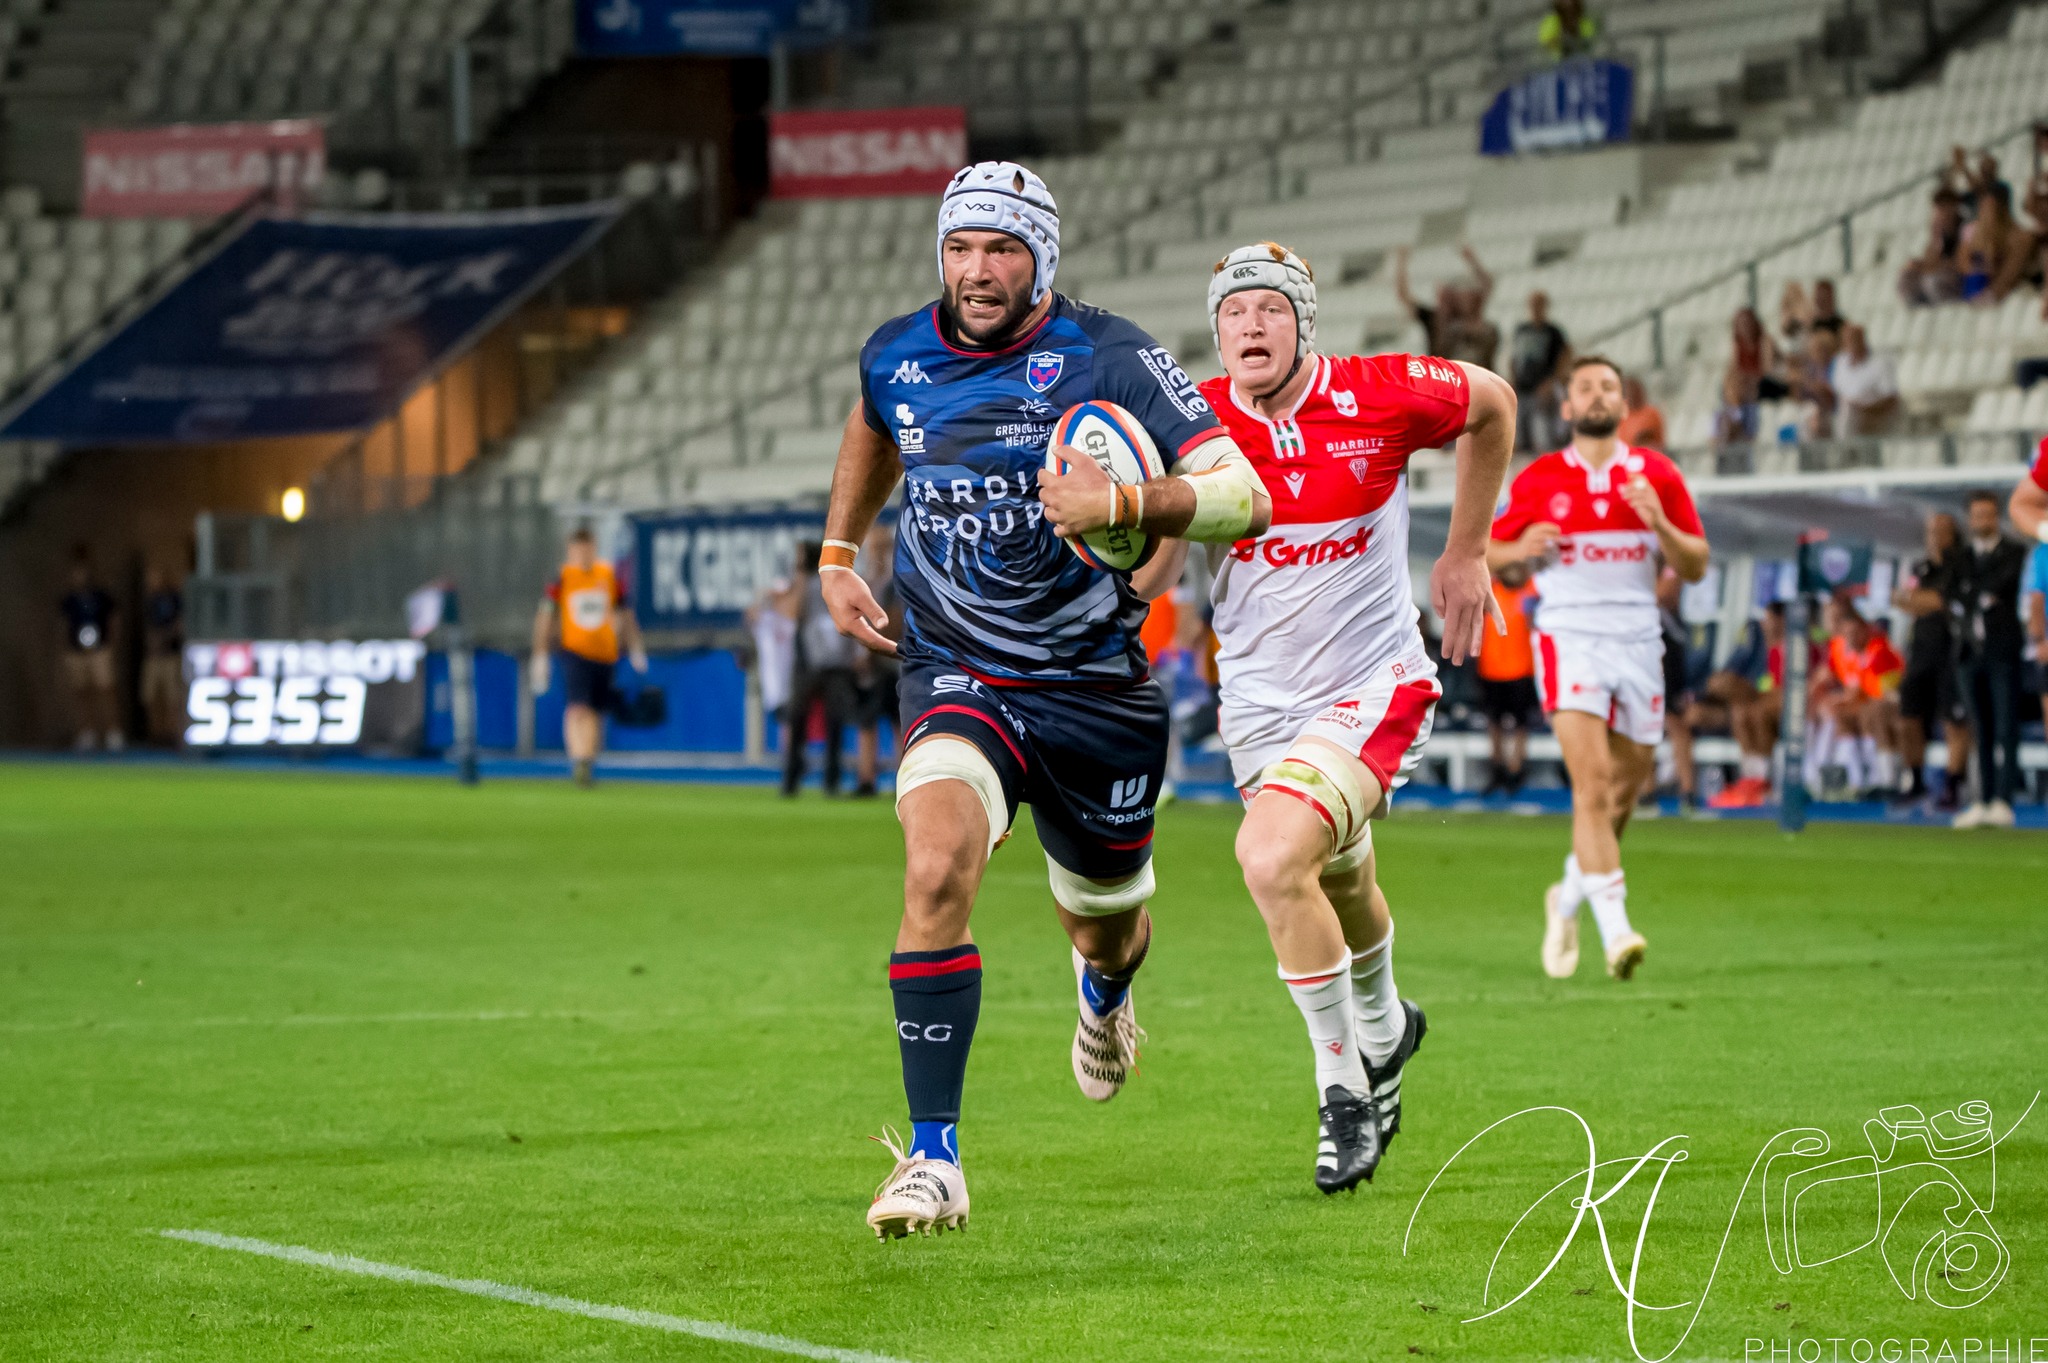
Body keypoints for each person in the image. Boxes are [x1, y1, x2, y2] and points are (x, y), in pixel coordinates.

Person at [821, 161, 1271, 1239]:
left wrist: (1121, 501)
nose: (977, 272)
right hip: (955, 672)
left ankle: (1104, 996)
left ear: (1043, 260)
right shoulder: (897, 352)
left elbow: (1242, 493)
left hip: (1091, 690)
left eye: (1002, 250)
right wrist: (839, 550)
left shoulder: (1109, 354)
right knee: (933, 868)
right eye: (961, 247)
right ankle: (933, 1160)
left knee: (1105, 927)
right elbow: (874, 428)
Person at [1153, 240, 1513, 1193]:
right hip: (1258, 702)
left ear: (1304, 322)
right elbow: (1159, 552)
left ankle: (1341, 1084)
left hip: (1373, 683)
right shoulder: (1193, 418)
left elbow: (1494, 402)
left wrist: (1467, 550)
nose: (1249, 328)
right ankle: (1390, 1026)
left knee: (1271, 859)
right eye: (1233, 314)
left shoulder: (1380, 393)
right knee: (1337, 877)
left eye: (1269, 309)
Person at [1489, 356, 1709, 981]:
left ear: (1623, 402)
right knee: (1590, 788)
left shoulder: (1656, 474)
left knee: (1625, 790)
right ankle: (1617, 931)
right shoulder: (1539, 479)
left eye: (1608, 386)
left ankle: (1568, 893)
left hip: (1639, 641)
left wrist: (1659, 521)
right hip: (1570, 637)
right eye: (1584, 387)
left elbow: (1695, 563)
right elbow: (1491, 556)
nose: (1596, 395)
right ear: (1566, 408)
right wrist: (1520, 549)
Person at [530, 526, 646, 788]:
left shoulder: (607, 576)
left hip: (605, 654)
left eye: (588, 548)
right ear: (571, 551)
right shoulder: (561, 578)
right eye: (578, 549)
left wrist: (636, 647)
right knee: (578, 708)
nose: (583, 554)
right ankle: (579, 758)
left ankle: (588, 761)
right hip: (575, 652)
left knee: (595, 711)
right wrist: (541, 653)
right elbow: (546, 616)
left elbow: (625, 614)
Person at [1949, 491, 2029, 828]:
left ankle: (2004, 799)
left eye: (1989, 514)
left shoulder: (2014, 552)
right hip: (1969, 651)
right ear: (1969, 518)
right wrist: (1978, 594)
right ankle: (1980, 799)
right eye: (1978, 514)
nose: (1984, 520)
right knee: (1980, 727)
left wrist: (1975, 593)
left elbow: (2001, 585)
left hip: (2003, 651)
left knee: (2006, 725)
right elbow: (1955, 592)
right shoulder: (1960, 556)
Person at [1891, 512, 1970, 809]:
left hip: (1952, 652)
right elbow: (1903, 600)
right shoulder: (1920, 567)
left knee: (1954, 721)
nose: (1936, 536)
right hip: (1920, 653)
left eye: (1942, 530)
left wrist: (1916, 600)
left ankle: (1953, 784)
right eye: (1931, 531)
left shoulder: (1961, 566)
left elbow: (1941, 600)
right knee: (1907, 718)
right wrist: (1918, 600)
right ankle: (1915, 779)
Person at [782, 541, 861, 797]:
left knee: (816, 722)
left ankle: (806, 780)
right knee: (818, 722)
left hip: (825, 662)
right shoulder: (821, 584)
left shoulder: (813, 585)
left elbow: (793, 613)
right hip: (823, 659)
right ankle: (823, 780)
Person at [1806, 596, 1905, 799]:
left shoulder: (1877, 649)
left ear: (1865, 628)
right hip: (1866, 703)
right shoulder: (1840, 646)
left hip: (1889, 703)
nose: (1849, 636)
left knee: (1868, 714)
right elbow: (1828, 676)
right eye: (1845, 630)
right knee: (1834, 714)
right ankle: (1850, 780)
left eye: (1854, 630)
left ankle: (1881, 780)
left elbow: (1875, 692)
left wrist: (1841, 701)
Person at [1699, 603, 1786, 809]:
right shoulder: (1765, 646)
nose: (1767, 624)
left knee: (1757, 713)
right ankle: (1751, 780)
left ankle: (1763, 782)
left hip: (1789, 709)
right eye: (1766, 620)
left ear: (1783, 621)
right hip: (1769, 702)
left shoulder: (1796, 646)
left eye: (1771, 619)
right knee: (1740, 713)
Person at [1478, 562, 1541, 796]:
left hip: (1523, 669)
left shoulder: (1532, 590)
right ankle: (1497, 769)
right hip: (1490, 668)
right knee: (1493, 723)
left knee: (1521, 724)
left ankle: (1516, 770)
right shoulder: (1491, 588)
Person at [850, 523, 901, 798]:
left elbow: (894, 621)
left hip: (892, 662)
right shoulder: (867, 579)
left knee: (898, 723)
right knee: (868, 722)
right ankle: (866, 777)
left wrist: (870, 650)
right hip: (876, 664)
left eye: (880, 546)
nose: (876, 551)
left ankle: (903, 778)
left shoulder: (896, 580)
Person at [58, 548, 120, 752]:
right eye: (76, 572)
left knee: (105, 689)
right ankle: (87, 732)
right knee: (81, 692)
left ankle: (112, 732)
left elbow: (113, 620)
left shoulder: (101, 596)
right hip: (76, 651)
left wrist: (111, 642)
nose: (80, 576)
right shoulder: (70, 599)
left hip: (100, 649)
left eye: (83, 571)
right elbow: (63, 624)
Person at [1508, 290, 1570, 454]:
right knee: (1518, 428)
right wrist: (1512, 379)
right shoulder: (1521, 330)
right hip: (1523, 387)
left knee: (1540, 429)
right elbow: (1514, 358)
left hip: (1541, 386)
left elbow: (1564, 357)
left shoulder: (1553, 333)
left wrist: (1551, 382)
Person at [1714, 307, 1783, 447]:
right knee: (1730, 385)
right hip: (1746, 389)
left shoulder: (1764, 340)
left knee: (1743, 386)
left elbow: (1766, 370)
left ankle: (1738, 418)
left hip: (1766, 384)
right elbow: (1733, 370)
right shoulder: (1737, 344)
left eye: (1746, 323)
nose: (1744, 328)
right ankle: (1736, 416)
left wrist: (1746, 379)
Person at [139, 565, 185, 745]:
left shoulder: (174, 599)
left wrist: (163, 639)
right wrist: (152, 643)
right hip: (153, 656)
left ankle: (173, 734)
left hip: (170, 654)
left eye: (156, 577)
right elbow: (147, 628)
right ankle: (156, 734)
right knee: (149, 696)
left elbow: (179, 624)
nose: (153, 581)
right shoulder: (149, 601)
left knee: (172, 697)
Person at [1830, 324, 1900, 438]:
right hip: (1847, 414)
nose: (1852, 343)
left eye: (1855, 339)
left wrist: (1865, 410)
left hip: (1875, 415)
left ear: (1863, 339)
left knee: (1849, 414)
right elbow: (1838, 394)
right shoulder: (1840, 362)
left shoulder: (1880, 364)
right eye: (1848, 340)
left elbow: (1891, 400)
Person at [1898, 189, 1965, 307]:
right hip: (1941, 273)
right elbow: (1930, 259)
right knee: (1907, 276)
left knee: (1932, 281)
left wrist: (1931, 266)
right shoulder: (1940, 233)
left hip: (1958, 278)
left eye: (1945, 206)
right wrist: (1936, 236)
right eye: (1939, 207)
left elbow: (1960, 263)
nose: (1941, 212)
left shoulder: (1964, 229)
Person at [1615, 374, 1664, 451]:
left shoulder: (1650, 413)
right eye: (1628, 392)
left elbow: (1657, 441)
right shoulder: (1617, 415)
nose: (1631, 395)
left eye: (1634, 391)